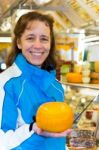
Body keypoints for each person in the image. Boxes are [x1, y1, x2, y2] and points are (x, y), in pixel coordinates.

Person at [0, 11, 71, 150]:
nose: (38, 45)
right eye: (30, 38)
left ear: (50, 44)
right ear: (19, 43)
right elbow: (2, 141)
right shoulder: (7, 83)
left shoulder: (56, 85)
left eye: (44, 39)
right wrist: (33, 129)